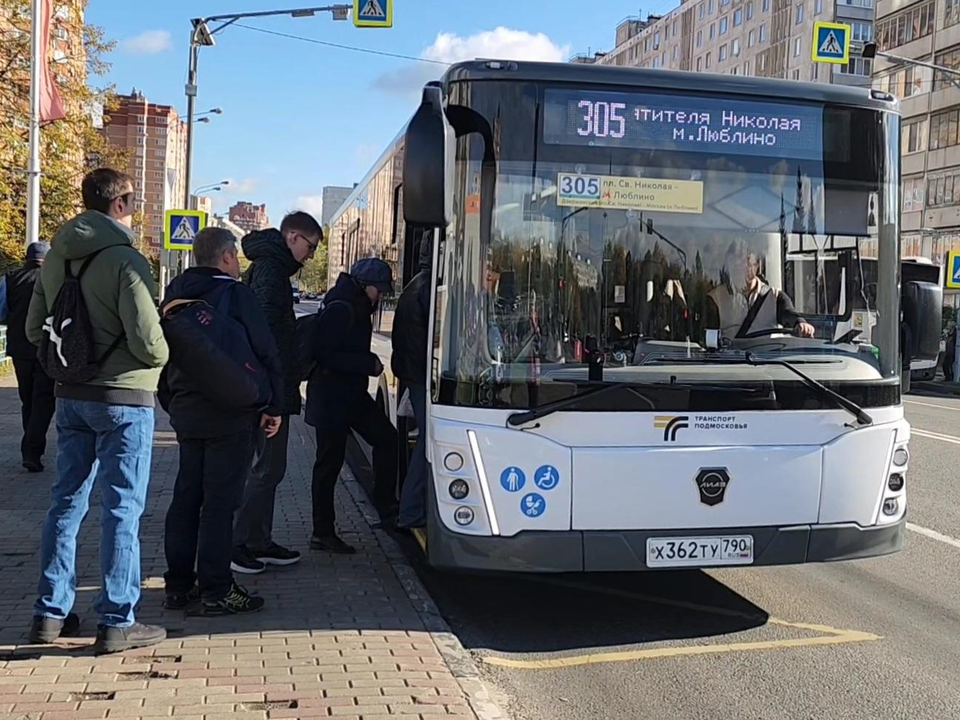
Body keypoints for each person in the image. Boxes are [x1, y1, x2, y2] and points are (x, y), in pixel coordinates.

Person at [25, 168, 169, 654]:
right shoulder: (126, 260)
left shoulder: (57, 257)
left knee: (65, 502)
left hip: (71, 396)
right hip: (124, 400)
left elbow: (32, 331)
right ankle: (116, 619)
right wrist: (157, 358)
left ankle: (49, 613)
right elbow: (150, 343)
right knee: (121, 508)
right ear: (123, 204)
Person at [160, 228, 284, 615]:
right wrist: (273, 404)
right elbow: (266, 351)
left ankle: (179, 586)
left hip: (186, 411)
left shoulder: (173, 297)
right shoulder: (236, 294)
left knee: (186, 496)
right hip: (230, 414)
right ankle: (216, 589)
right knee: (219, 503)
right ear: (228, 256)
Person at [231, 211, 322, 574]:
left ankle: (258, 541)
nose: (311, 256)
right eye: (310, 246)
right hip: (268, 391)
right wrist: (274, 398)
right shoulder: (272, 271)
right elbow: (268, 338)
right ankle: (238, 545)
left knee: (271, 468)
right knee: (266, 468)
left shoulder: (271, 268)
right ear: (293, 237)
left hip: (268, 387)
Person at [306, 258, 398, 554]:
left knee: (387, 440)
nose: (380, 296)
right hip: (332, 397)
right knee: (328, 465)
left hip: (350, 396)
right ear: (364, 285)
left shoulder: (352, 304)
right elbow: (325, 354)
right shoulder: (342, 306)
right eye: (378, 290)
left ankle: (386, 507)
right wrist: (366, 363)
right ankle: (322, 531)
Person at [0, 242, 55, 472]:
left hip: (19, 348)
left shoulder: (10, 279)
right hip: (47, 347)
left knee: (28, 398)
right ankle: (32, 449)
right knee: (44, 400)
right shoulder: (54, 280)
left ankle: (30, 445)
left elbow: (2, 312)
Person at [393, 240, 432, 529]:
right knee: (430, 439)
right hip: (421, 375)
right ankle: (411, 512)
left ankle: (412, 508)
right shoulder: (430, 288)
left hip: (412, 372)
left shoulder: (415, 284)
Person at [708, 253, 816, 339]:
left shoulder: (774, 296)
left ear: (757, 265)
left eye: (747, 264)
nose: (743, 269)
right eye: (737, 265)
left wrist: (801, 323)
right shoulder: (715, 298)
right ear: (729, 267)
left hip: (767, 361)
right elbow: (705, 339)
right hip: (728, 363)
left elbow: (789, 315)